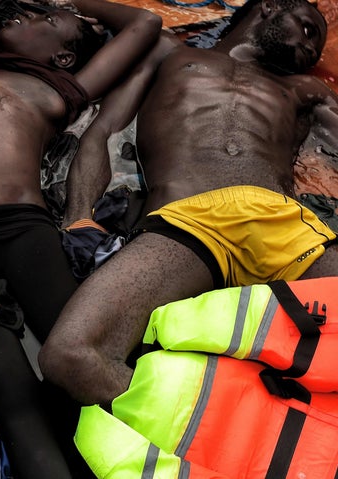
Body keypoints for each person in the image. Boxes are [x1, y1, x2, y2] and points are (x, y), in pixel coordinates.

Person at [38, 0, 338, 408]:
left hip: (283, 222)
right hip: (187, 222)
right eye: (306, 29)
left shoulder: (305, 88)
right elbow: (102, 130)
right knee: (71, 355)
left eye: (316, 44)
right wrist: (78, 216)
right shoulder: (171, 52)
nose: (310, 48)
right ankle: (216, 431)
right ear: (269, 7)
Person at [0, 0, 162, 477]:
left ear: (63, 56)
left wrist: (73, 5)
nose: (23, 15)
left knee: (80, 360)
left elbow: (146, 22)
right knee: (12, 396)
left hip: (23, 229)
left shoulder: (59, 88)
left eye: (46, 20)